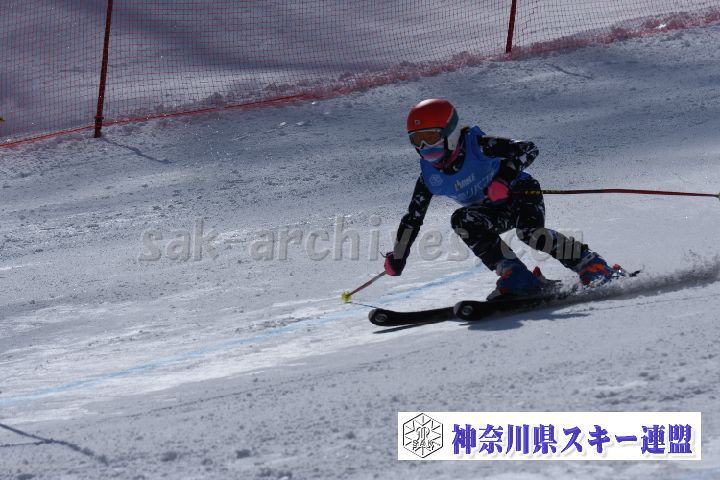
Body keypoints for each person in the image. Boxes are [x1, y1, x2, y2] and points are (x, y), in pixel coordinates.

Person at [384, 98, 619, 299]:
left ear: (450, 133)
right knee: (461, 219)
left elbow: (528, 149)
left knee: (530, 233)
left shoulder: (479, 146)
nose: (425, 147)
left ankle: (590, 264)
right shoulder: (429, 178)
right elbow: (413, 218)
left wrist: (503, 180)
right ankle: (515, 274)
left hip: (520, 194)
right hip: (489, 211)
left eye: (430, 137)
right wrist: (399, 255)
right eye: (417, 140)